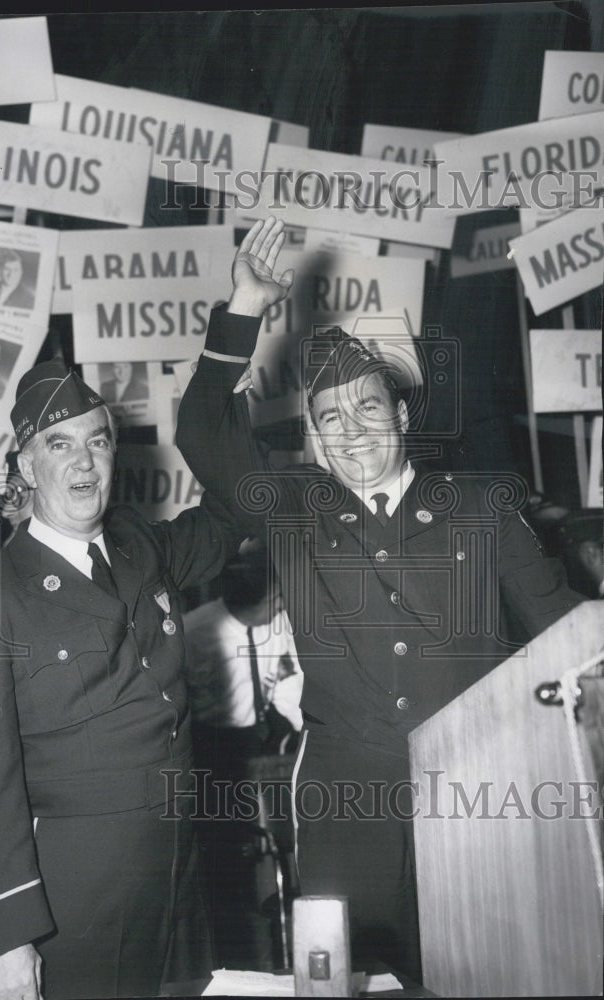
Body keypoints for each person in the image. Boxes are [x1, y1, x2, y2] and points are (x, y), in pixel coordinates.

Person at [175, 216, 586, 982]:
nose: (350, 431)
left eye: (368, 408)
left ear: (401, 415)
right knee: (347, 981)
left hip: (480, 796)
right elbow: (202, 431)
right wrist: (242, 312)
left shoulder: (481, 507)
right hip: (346, 806)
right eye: (329, 418)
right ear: (312, 437)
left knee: (484, 973)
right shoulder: (294, 506)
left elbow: (564, 635)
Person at [0, 358, 245, 999]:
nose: (83, 462)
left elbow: (238, 511)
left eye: (97, 442)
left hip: (179, 881)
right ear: (23, 466)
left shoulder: (139, 549)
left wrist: (229, 345)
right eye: (59, 444)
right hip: (76, 907)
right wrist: (6, 945)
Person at [184, 540, 303, 780]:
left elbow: (290, 678)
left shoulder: (280, 624)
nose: (282, 605)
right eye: (277, 598)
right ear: (252, 602)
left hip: (264, 733)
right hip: (211, 743)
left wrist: (301, 728)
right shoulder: (192, 632)